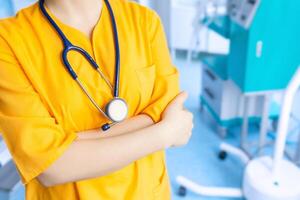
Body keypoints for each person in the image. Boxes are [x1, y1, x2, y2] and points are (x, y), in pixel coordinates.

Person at [0, 0, 193, 199]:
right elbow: (52, 168)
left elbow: (171, 111)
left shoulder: (144, 21)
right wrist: (164, 134)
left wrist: (72, 144)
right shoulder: (7, 41)